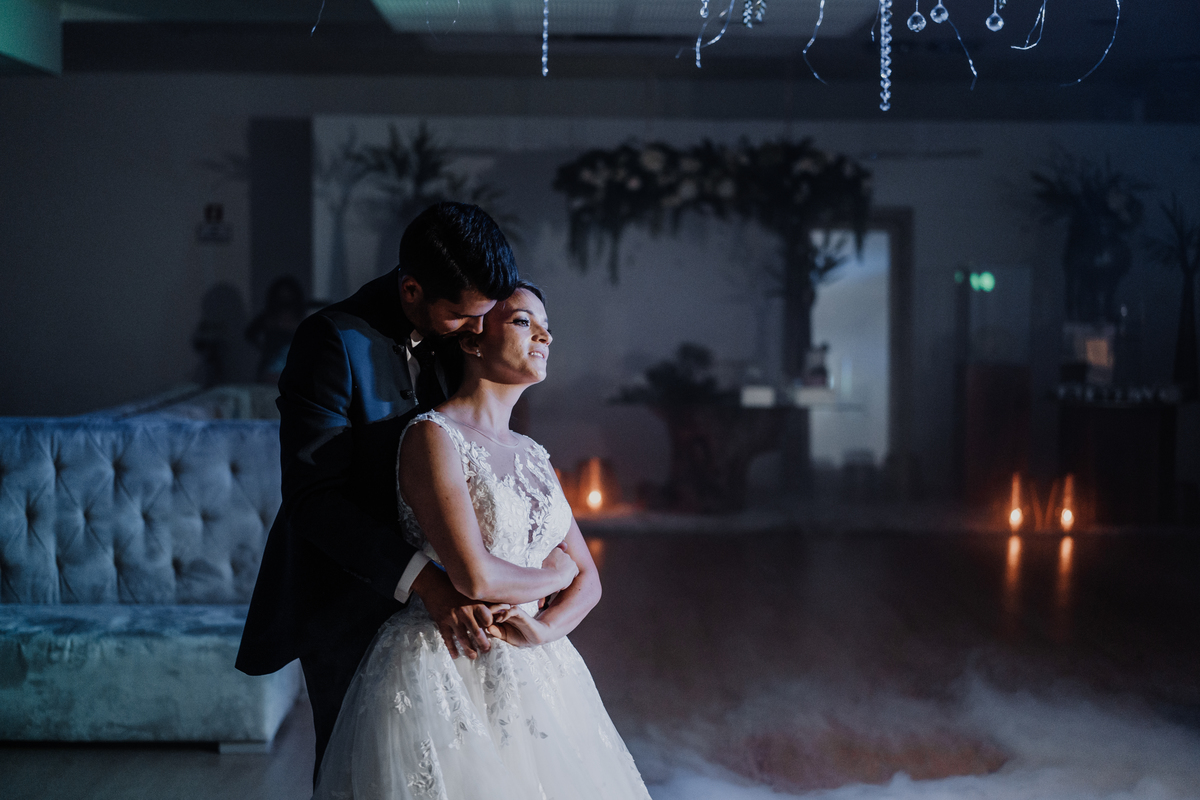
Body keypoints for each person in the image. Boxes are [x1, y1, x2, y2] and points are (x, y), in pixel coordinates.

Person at [313, 282, 651, 800]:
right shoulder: (433, 436)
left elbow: (590, 579)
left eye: (546, 327)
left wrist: (543, 630)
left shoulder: (534, 454)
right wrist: (554, 575)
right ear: (473, 340)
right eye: (523, 322)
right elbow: (475, 576)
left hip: (539, 666)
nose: (544, 336)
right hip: (445, 657)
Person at [236, 202, 523, 780]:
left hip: (460, 606)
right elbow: (314, 499)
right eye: (461, 316)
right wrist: (429, 583)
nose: (477, 330)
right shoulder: (330, 341)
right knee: (359, 773)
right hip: (350, 602)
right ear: (412, 289)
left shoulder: (463, 333)